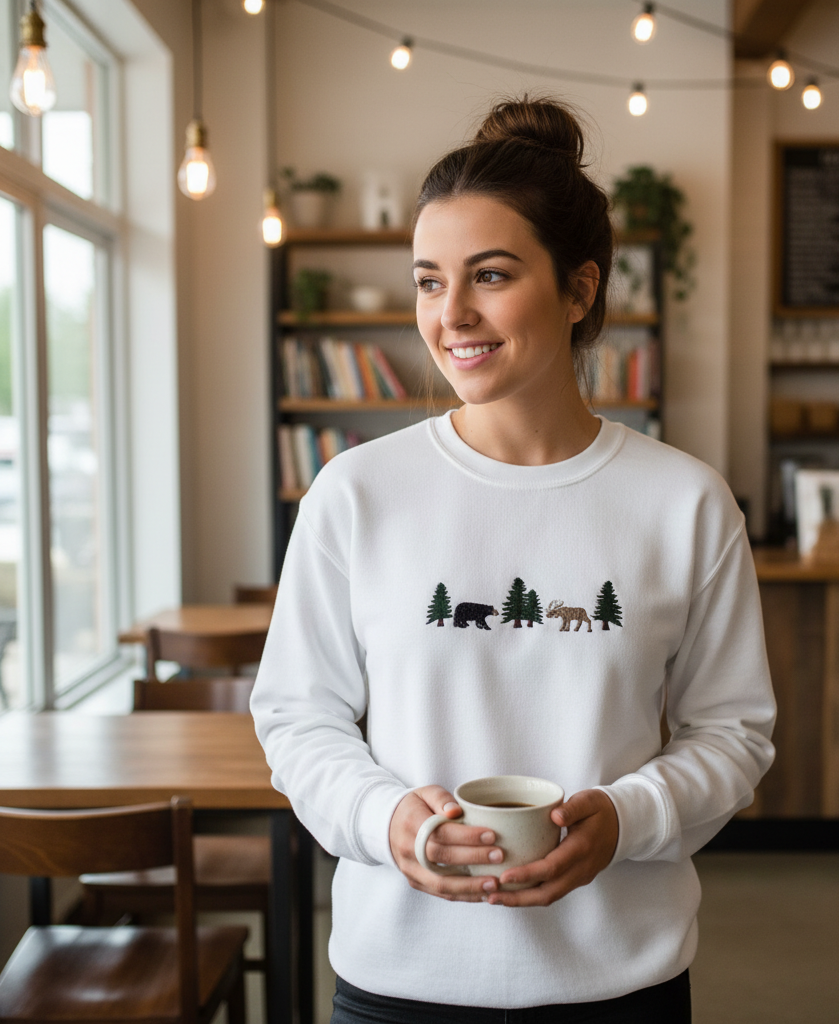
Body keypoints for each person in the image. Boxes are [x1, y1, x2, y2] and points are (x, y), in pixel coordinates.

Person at [251, 96, 776, 1023]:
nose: (450, 314)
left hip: (618, 985)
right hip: (399, 984)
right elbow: (299, 718)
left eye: (489, 276)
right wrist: (385, 820)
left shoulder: (687, 501)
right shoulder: (355, 492)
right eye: (427, 280)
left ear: (580, 290)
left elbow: (732, 734)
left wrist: (628, 819)